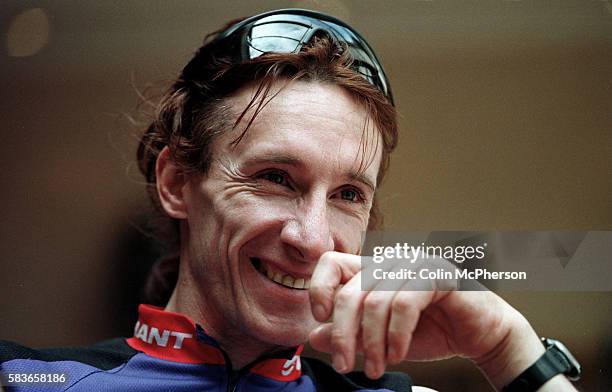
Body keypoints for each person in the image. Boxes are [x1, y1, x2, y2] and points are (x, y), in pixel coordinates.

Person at [0, 9, 580, 392]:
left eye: (348, 194)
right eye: (276, 178)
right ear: (177, 182)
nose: (310, 238)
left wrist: (505, 347)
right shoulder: (27, 380)